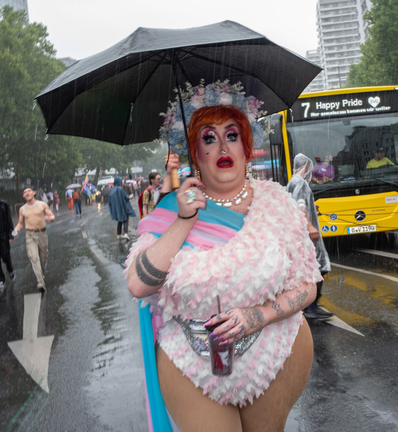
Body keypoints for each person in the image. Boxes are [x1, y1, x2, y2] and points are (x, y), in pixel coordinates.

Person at [125, 81, 319, 431]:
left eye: (231, 135)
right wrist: (184, 221)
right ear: (195, 155)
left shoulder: (278, 204)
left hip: (275, 349)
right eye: (208, 139)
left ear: (246, 146)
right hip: (191, 362)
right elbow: (139, 284)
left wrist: (256, 316)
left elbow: (308, 288)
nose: (222, 146)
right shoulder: (171, 209)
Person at [287, 153, 333, 320]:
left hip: (299, 234)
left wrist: (312, 206)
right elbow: (299, 206)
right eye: (309, 167)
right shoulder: (300, 183)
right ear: (305, 166)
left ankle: (309, 305)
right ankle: (311, 306)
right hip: (307, 235)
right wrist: (310, 225)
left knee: (311, 268)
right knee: (320, 267)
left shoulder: (292, 182)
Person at [14, 186, 55, 292]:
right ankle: (40, 282)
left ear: (33, 192)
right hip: (30, 235)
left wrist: (49, 218)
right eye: (24, 192)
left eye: (29, 191)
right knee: (34, 257)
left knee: (43, 257)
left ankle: (41, 274)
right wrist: (16, 229)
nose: (27, 193)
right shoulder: (22, 209)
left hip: (42, 233)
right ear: (23, 195)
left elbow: (52, 216)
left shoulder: (42, 205)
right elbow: (20, 223)